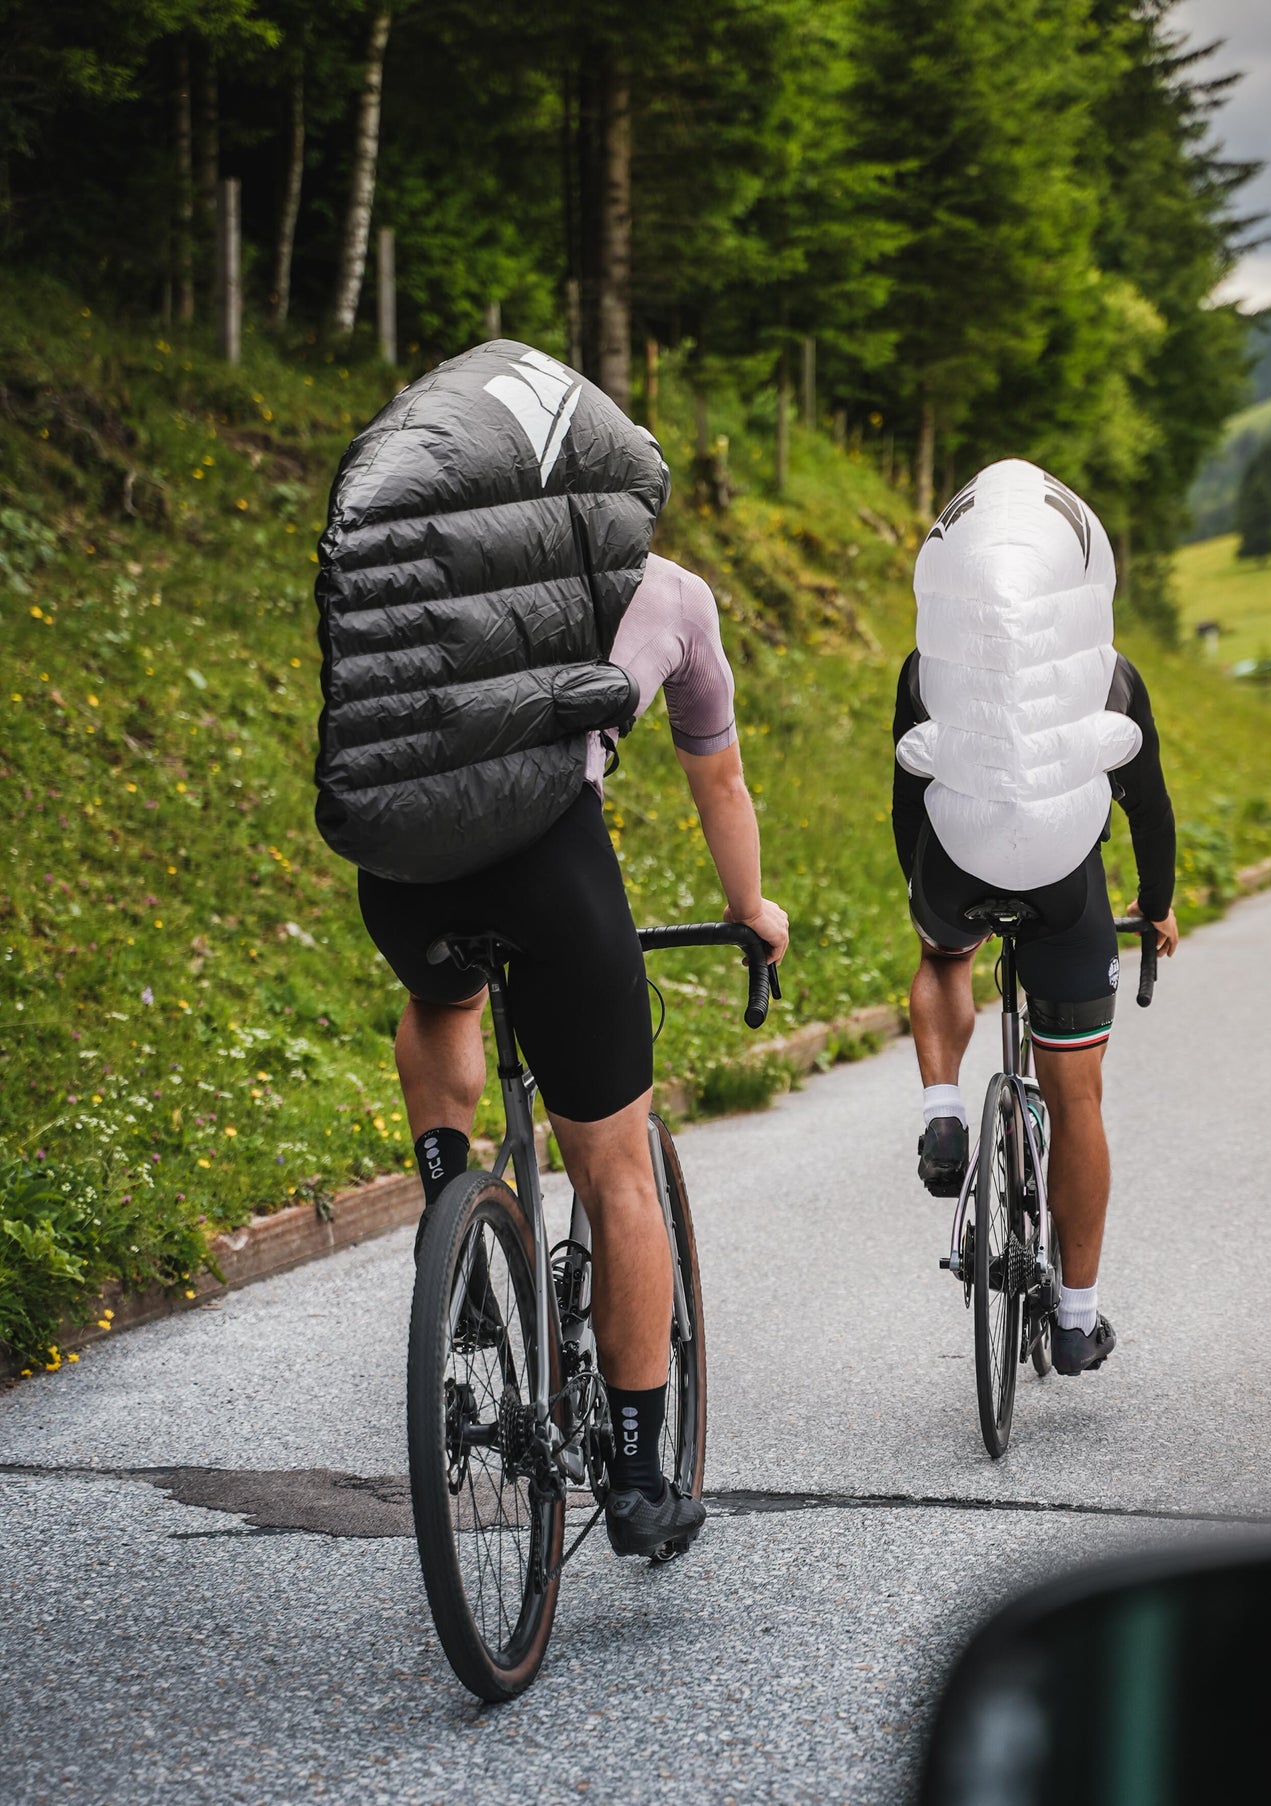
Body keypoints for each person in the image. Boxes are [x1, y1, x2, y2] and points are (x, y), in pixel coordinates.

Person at [315, 344, 788, 1556]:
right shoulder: (670, 597)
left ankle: (450, 1215)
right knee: (616, 1171)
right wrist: (750, 909)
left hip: (401, 873)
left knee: (445, 994)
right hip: (548, 866)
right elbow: (718, 773)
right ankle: (637, 1480)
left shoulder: (435, 582)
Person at [891, 459, 1177, 1376]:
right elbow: (1149, 809)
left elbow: (909, 799)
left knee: (943, 959)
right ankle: (1075, 1318)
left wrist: (929, 902)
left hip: (953, 871)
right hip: (1063, 886)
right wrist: (1157, 907)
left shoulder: (925, 670)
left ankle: (942, 1109)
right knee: (1075, 1095)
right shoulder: (1110, 677)